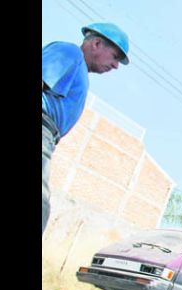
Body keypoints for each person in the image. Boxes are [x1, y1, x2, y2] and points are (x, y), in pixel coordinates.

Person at [42, 22, 130, 235]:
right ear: (97, 43)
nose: (116, 66)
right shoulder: (70, 53)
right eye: (115, 56)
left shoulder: (79, 69)